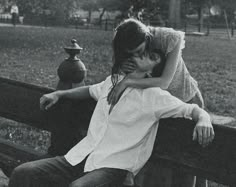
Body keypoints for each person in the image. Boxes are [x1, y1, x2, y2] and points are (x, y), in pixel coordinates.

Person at [8, 52, 214, 187]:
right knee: (23, 173)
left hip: (114, 169)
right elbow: (89, 90)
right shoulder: (111, 84)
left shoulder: (154, 96)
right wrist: (60, 95)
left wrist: (203, 119)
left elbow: (192, 108)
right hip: (83, 157)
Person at [107, 18, 207, 187]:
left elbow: (164, 82)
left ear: (146, 38)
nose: (135, 56)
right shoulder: (127, 47)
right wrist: (127, 73)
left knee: (188, 162)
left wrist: (127, 82)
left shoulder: (168, 38)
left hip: (186, 100)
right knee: (159, 160)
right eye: (129, 53)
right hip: (156, 106)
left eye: (138, 50)